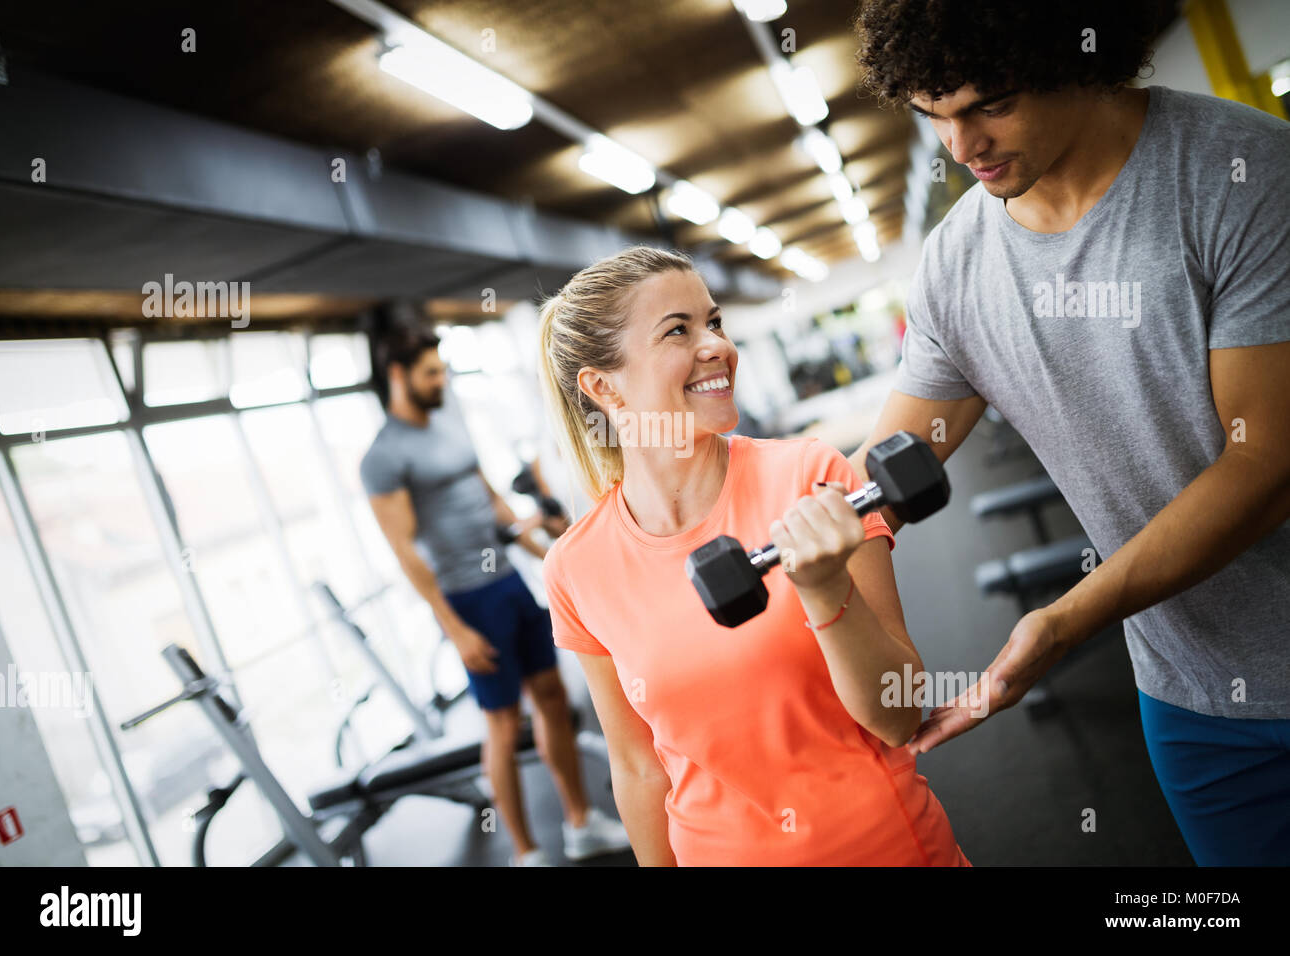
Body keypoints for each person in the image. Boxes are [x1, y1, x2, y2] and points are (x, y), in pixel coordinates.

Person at [848, 0, 1290, 864]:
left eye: (992, 103)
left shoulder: (1237, 171)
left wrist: (1061, 623)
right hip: (1194, 700)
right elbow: (877, 486)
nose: (962, 145)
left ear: (1080, 55)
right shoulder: (954, 268)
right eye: (934, 115)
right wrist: (817, 560)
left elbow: (1267, 463)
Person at [537, 246, 970, 866]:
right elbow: (636, 768)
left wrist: (825, 592)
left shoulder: (812, 475)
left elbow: (900, 716)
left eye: (714, 322)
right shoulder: (576, 569)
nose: (716, 345)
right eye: (678, 331)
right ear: (603, 386)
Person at [359, 324, 630, 866]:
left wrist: (548, 551)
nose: (441, 381)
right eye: (430, 373)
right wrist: (452, 628)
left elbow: (492, 504)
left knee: (553, 699)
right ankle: (526, 853)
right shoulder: (383, 457)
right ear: (397, 376)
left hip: (506, 581)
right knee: (503, 723)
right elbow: (404, 550)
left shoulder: (448, 424)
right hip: (466, 598)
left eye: (443, 370)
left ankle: (580, 823)